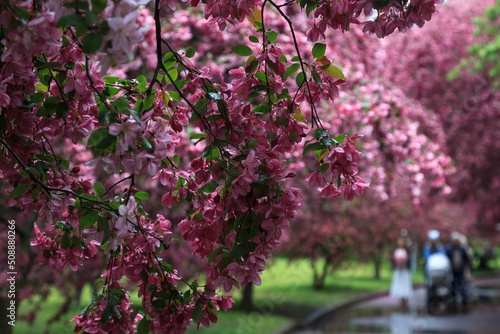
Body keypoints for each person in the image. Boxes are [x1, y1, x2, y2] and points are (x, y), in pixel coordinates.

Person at [446, 232, 471, 312]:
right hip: (452, 271)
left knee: (462, 285)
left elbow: (467, 261)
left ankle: (465, 301)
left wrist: (468, 270)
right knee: (452, 286)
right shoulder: (449, 249)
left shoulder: (462, 249)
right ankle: (452, 301)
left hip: (460, 271)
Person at [390, 236, 413, 309]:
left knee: (404, 283)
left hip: (404, 270)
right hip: (398, 270)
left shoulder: (406, 251)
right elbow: (393, 260)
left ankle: (405, 297)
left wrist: (403, 263)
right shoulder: (395, 251)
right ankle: (400, 297)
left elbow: (408, 260)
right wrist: (397, 264)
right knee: (399, 282)